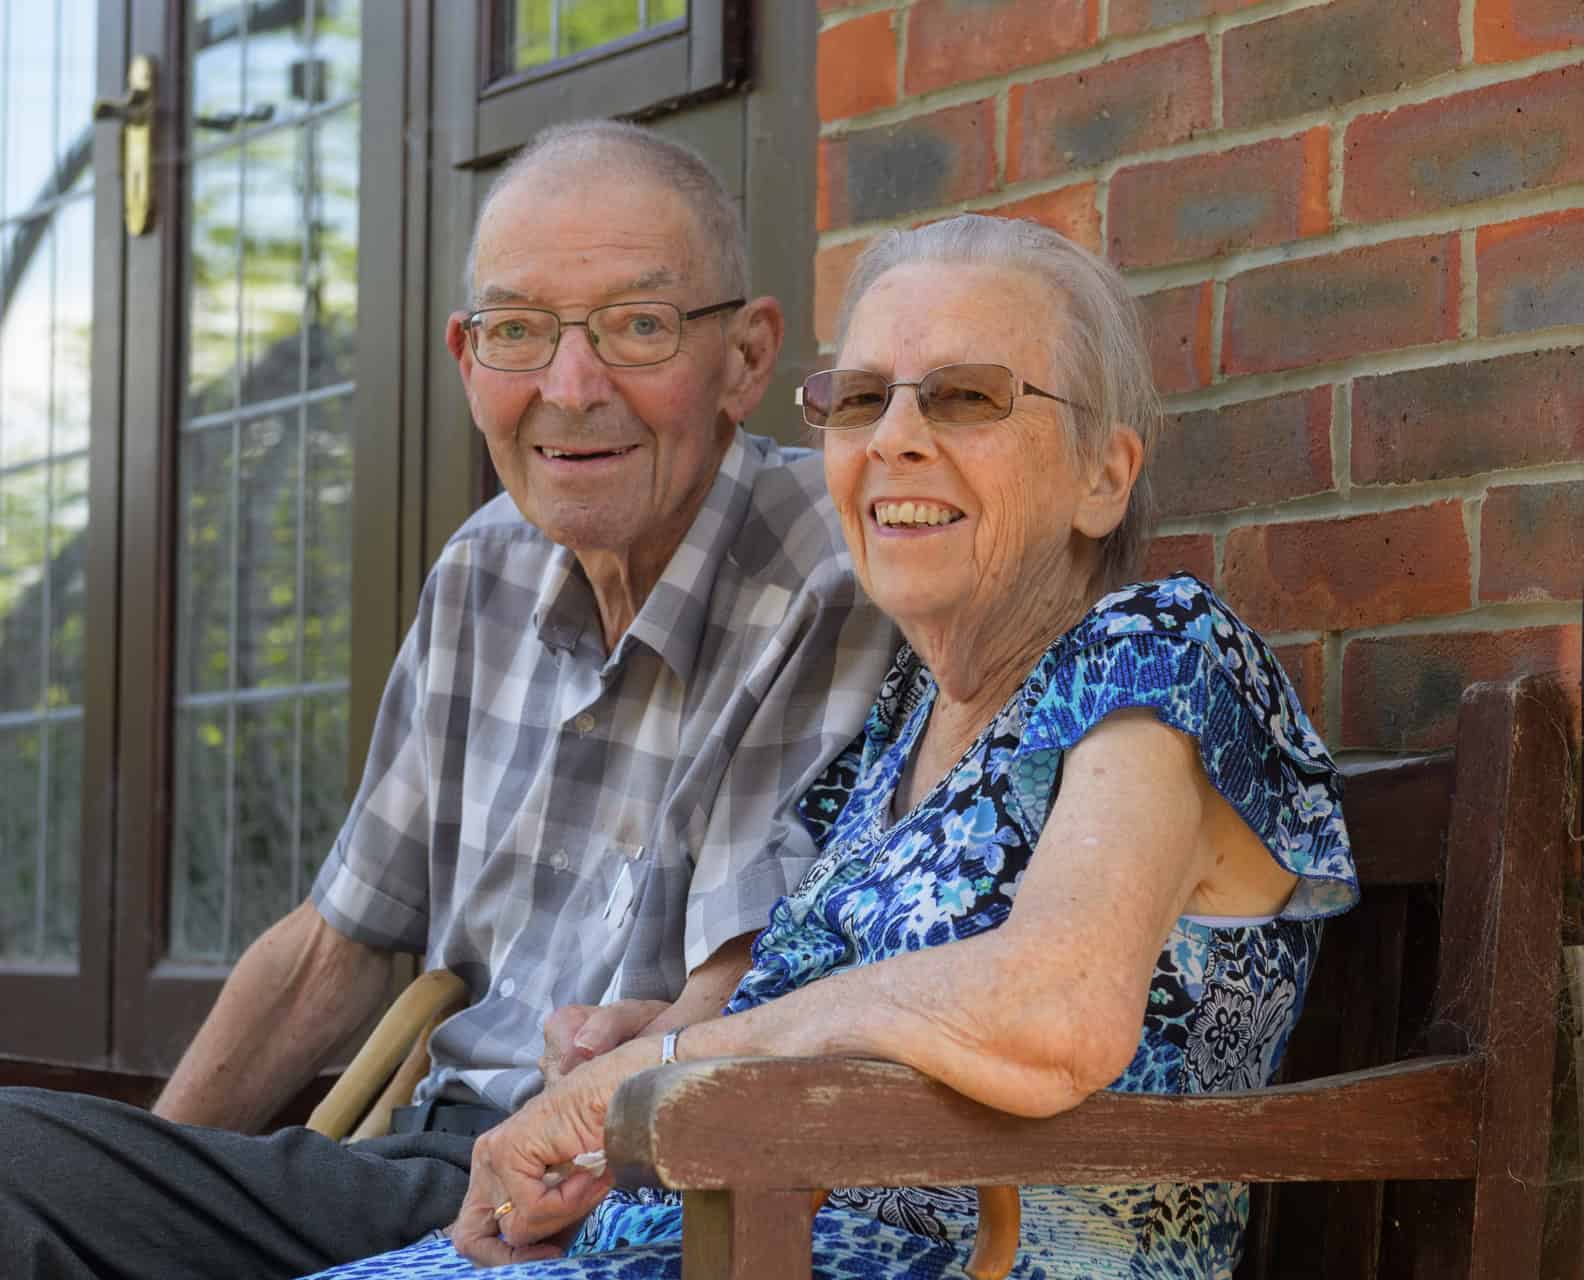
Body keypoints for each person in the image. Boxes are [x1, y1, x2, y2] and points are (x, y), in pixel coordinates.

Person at [0, 121, 897, 1280]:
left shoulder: (825, 565)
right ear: (466, 358)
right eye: (519, 332)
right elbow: (340, 941)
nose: (570, 385)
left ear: (745, 356)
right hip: (413, 1148)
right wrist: (142, 1166)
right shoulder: (484, 569)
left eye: (637, 326)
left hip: (574, 1185)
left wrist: (51, 1180)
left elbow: (741, 981)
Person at [315, 214, 1359, 1280]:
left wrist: (672, 1064)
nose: (892, 438)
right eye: (859, 399)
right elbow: (783, 1017)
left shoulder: (1164, 652)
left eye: (964, 396)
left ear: (1103, 474)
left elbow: (1057, 1007)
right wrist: (629, 1057)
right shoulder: (897, 722)